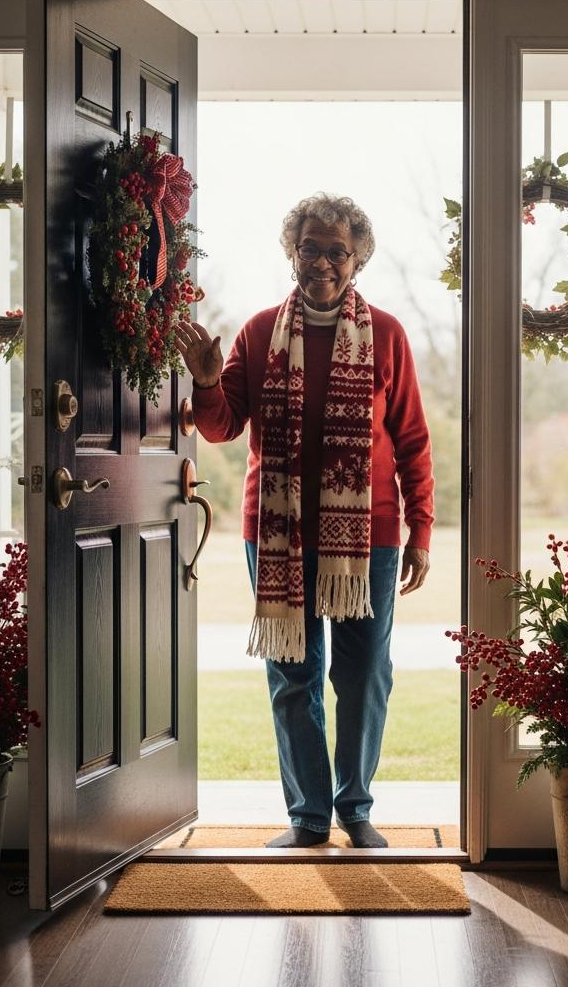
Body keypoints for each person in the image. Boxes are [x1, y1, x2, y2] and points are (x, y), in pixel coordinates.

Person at [175, 193, 434, 849]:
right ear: (292, 252)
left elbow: (411, 442)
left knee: (365, 674)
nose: (323, 261)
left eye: (337, 250)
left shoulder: (389, 334)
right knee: (293, 674)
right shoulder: (260, 333)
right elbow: (223, 426)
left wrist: (421, 532)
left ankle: (356, 807)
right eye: (311, 248)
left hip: (367, 537)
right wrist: (207, 382)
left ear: (358, 258)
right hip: (279, 532)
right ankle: (309, 819)